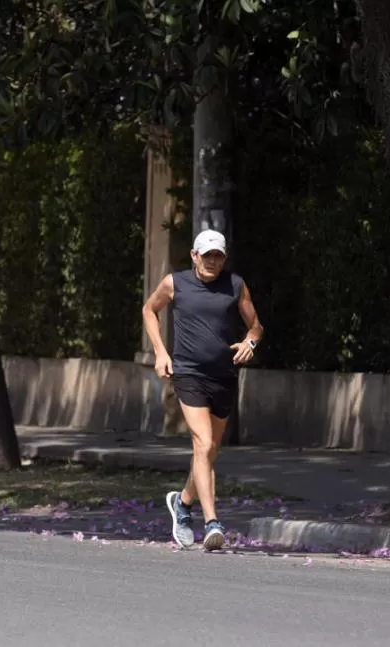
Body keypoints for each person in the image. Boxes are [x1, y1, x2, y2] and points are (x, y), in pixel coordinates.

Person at [141, 229, 264, 551]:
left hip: (223, 375)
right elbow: (149, 310)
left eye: (217, 256)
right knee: (203, 442)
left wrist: (251, 342)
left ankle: (182, 503)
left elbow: (256, 325)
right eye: (206, 255)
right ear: (194, 256)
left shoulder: (235, 285)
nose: (212, 261)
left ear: (223, 259)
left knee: (208, 453)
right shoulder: (175, 283)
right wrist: (161, 352)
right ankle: (212, 521)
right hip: (188, 373)